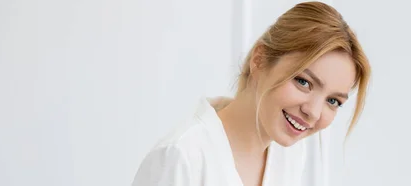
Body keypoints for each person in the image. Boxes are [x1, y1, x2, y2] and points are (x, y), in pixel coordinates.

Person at [132, 1, 370, 186]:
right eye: (303, 82)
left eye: (333, 101)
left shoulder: (288, 155)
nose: (313, 112)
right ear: (259, 59)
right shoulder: (181, 157)